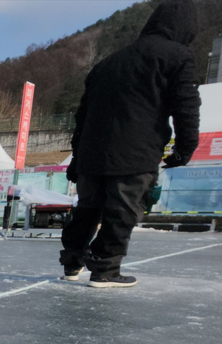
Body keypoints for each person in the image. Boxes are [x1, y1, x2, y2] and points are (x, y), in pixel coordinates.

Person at [62, 0, 200, 288]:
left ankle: (72, 262)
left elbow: (83, 115)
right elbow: (185, 106)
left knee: (87, 208)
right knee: (123, 208)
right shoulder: (177, 56)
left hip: (92, 152)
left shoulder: (106, 63)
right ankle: (105, 268)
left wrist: (77, 158)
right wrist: (185, 148)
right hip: (135, 150)